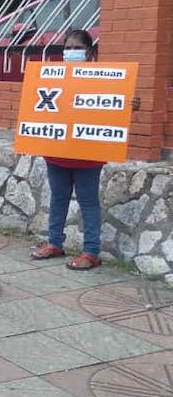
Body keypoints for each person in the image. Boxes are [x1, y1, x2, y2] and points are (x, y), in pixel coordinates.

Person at [31, 29, 139, 269]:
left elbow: (113, 107)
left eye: (77, 48)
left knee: (88, 201)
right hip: (57, 151)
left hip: (88, 154)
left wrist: (130, 105)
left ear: (89, 52)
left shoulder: (104, 77)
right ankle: (54, 243)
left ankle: (91, 252)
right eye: (67, 48)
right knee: (57, 199)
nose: (71, 52)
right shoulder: (51, 77)